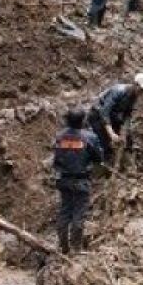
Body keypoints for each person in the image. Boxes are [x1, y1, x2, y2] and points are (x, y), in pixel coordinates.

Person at [52, 107, 103, 254]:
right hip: (81, 180)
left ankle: (63, 246)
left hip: (63, 179)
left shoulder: (59, 137)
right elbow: (99, 157)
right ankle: (76, 248)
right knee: (78, 214)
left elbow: (56, 158)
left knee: (64, 211)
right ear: (83, 120)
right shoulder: (90, 137)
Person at [88, 74, 143, 162]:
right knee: (104, 141)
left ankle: (121, 161)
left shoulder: (133, 96)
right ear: (135, 84)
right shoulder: (118, 91)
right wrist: (111, 133)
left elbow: (127, 114)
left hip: (112, 115)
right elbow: (104, 112)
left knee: (125, 140)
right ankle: (102, 164)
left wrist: (125, 131)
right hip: (97, 115)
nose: (141, 93)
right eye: (140, 89)